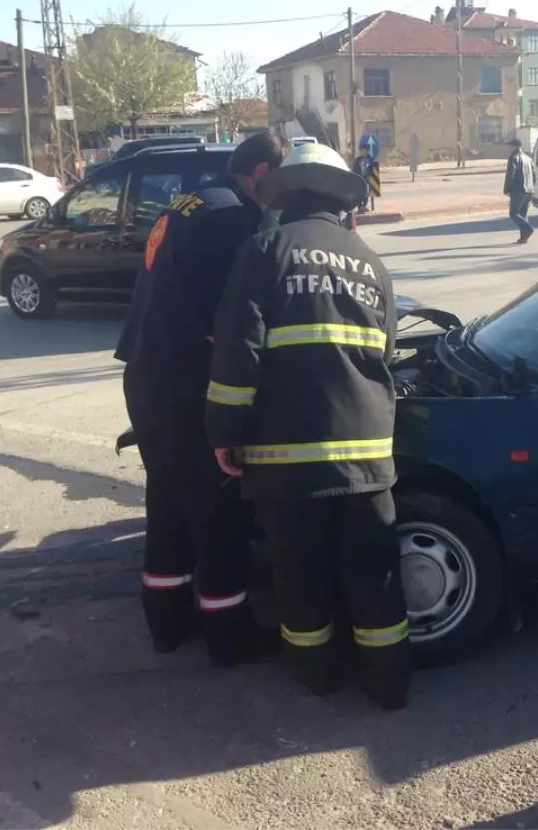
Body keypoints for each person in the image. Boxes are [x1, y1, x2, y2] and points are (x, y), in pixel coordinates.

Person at [205, 142, 410, 710]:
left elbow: (237, 357)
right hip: (366, 458)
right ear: (337, 198)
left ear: (284, 195)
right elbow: (386, 351)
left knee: (299, 575)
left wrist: (224, 433)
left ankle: (318, 675)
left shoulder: (263, 250)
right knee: (375, 573)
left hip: (286, 462)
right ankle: (388, 682)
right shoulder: (371, 262)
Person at [114, 131, 291, 667]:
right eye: (279, 181)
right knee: (219, 510)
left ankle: (166, 621)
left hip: (147, 377)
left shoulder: (189, 203)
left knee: (168, 503)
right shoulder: (232, 221)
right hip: (188, 384)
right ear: (261, 172)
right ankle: (229, 634)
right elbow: (229, 323)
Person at [504, 138, 536, 244]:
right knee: (523, 214)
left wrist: (507, 189)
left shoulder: (514, 158)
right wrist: (533, 188)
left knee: (514, 213)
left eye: (510, 146)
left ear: (515, 147)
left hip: (519, 190)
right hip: (529, 190)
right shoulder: (528, 158)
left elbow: (510, 174)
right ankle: (524, 238)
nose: (509, 148)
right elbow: (534, 174)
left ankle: (528, 229)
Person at [353, 145, 374, 213]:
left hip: (367, 179)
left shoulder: (370, 160)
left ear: (367, 151)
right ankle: (359, 206)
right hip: (359, 179)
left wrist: (371, 177)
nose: (362, 152)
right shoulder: (358, 160)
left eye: (364, 150)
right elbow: (355, 169)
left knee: (366, 192)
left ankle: (364, 205)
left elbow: (373, 170)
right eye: (361, 150)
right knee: (359, 193)